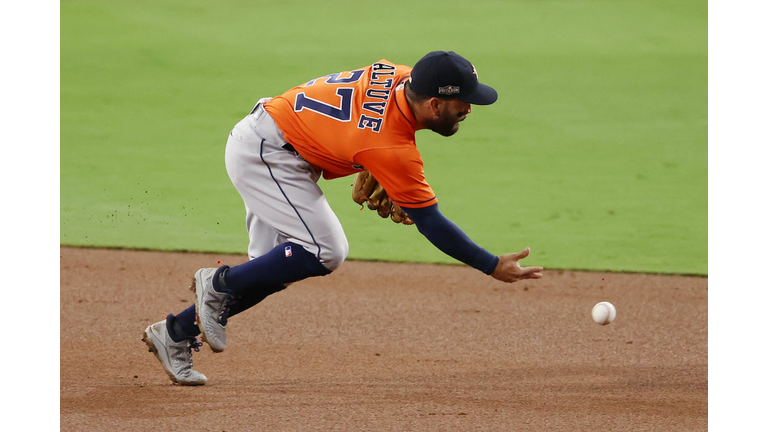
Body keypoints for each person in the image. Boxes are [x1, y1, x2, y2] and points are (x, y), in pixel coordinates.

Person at [142, 51, 544, 385]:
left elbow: (367, 122)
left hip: (275, 138)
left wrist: (366, 162)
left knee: (272, 270)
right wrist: (491, 265)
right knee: (326, 251)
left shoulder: (403, 76)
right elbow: (431, 222)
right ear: (434, 103)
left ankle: (174, 333)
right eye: (462, 103)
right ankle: (217, 282)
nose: (469, 109)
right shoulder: (390, 148)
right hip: (267, 155)